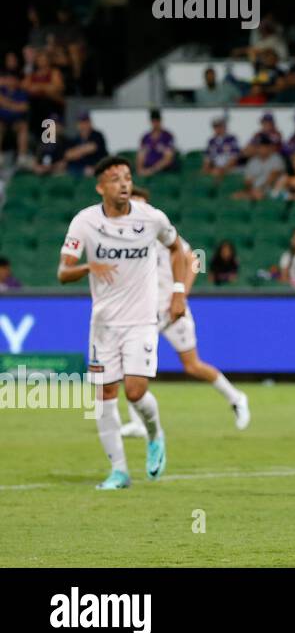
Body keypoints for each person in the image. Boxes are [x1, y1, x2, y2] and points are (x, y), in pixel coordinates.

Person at [59, 156, 188, 489]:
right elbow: (63, 271)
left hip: (142, 321)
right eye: (115, 179)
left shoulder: (152, 218)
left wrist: (178, 293)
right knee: (104, 395)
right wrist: (89, 267)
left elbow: (179, 251)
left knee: (135, 391)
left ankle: (155, 434)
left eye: (127, 177)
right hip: (103, 326)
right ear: (101, 187)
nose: (124, 184)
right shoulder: (84, 222)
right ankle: (119, 471)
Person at [117, 188, 249, 439]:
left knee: (192, 365)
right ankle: (137, 423)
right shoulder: (124, 240)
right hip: (145, 314)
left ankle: (237, 398)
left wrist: (181, 295)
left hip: (173, 311)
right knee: (130, 365)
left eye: (142, 204)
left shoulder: (163, 233)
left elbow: (193, 261)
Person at [136, 108, 178, 177]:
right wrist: (140, 170)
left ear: (160, 121)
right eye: (153, 121)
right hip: (147, 170)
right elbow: (140, 156)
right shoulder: (145, 137)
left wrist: (152, 170)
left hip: (164, 172)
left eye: (157, 121)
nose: (155, 123)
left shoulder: (167, 136)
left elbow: (168, 158)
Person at [63, 111, 108, 177]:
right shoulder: (76, 139)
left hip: (96, 167)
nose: (83, 125)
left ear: (90, 123)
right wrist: (81, 151)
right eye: (81, 122)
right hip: (79, 169)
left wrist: (77, 152)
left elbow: (91, 148)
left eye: (85, 122)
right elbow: (68, 155)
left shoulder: (97, 135)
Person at [202, 115, 241, 180]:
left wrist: (222, 169)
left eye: (220, 126)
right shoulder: (211, 141)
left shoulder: (231, 139)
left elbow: (234, 159)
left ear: (224, 126)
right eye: (215, 126)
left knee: (217, 173)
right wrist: (206, 169)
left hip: (229, 168)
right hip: (215, 168)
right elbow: (207, 159)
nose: (218, 129)